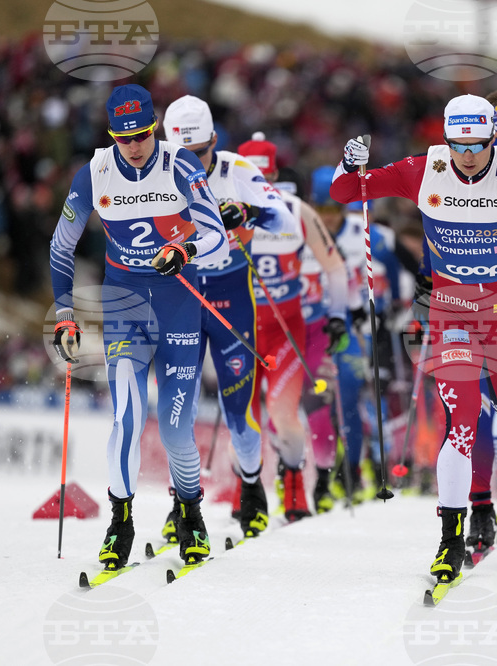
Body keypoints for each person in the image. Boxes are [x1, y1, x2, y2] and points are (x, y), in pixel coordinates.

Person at [330, 94, 497, 582]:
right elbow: (347, 192)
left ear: (493, 136)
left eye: (477, 144)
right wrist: (349, 163)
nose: (468, 155)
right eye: (458, 144)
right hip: (453, 316)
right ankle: (451, 539)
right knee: (464, 424)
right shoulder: (423, 168)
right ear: (446, 138)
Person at [50, 84, 228, 568]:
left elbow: (219, 238)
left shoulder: (181, 165)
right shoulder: (95, 172)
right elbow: (60, 247)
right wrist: (65, 316)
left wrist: (184, 251)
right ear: (111, 135)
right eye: (123, 137)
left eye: (142, 134)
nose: (133, 145)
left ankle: (189, 511)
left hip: (177, 306)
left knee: (174, 431)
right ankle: (120, 522)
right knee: (125, 418)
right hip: (126, 305)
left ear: (156, 127)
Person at [162, 96, 299, 539]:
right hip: (180, 294)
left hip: (230, 295)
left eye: (199, 154)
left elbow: (284, 220)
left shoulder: (236, 170)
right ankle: (183, 503)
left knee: (237, 410)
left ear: (214, 142)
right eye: (183, 157)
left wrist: (249, 213)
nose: (192, 167)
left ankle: (252, 489)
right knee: (177, 410)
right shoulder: (156, 171)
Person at [236, 133, 351, 520]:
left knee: (284, 414)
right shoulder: (218, 207)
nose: (258, 188)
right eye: (250, 178)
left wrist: (337, 315)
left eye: (264, 178)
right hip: (238, 329)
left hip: (286, 327)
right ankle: (247, 489)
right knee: (243, 412)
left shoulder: (297, 211)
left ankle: (295, 484)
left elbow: (334, 266)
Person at [311, 165, 398, 510]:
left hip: (349, 326)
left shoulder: (361, 232)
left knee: (347, 398)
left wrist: (381, 303)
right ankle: (323, 475)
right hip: (312, 325)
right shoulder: (304, 231)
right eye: (322, 211)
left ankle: (353, 472)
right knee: (317, 401)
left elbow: (386, 269)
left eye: (334, 210)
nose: (329, 219)